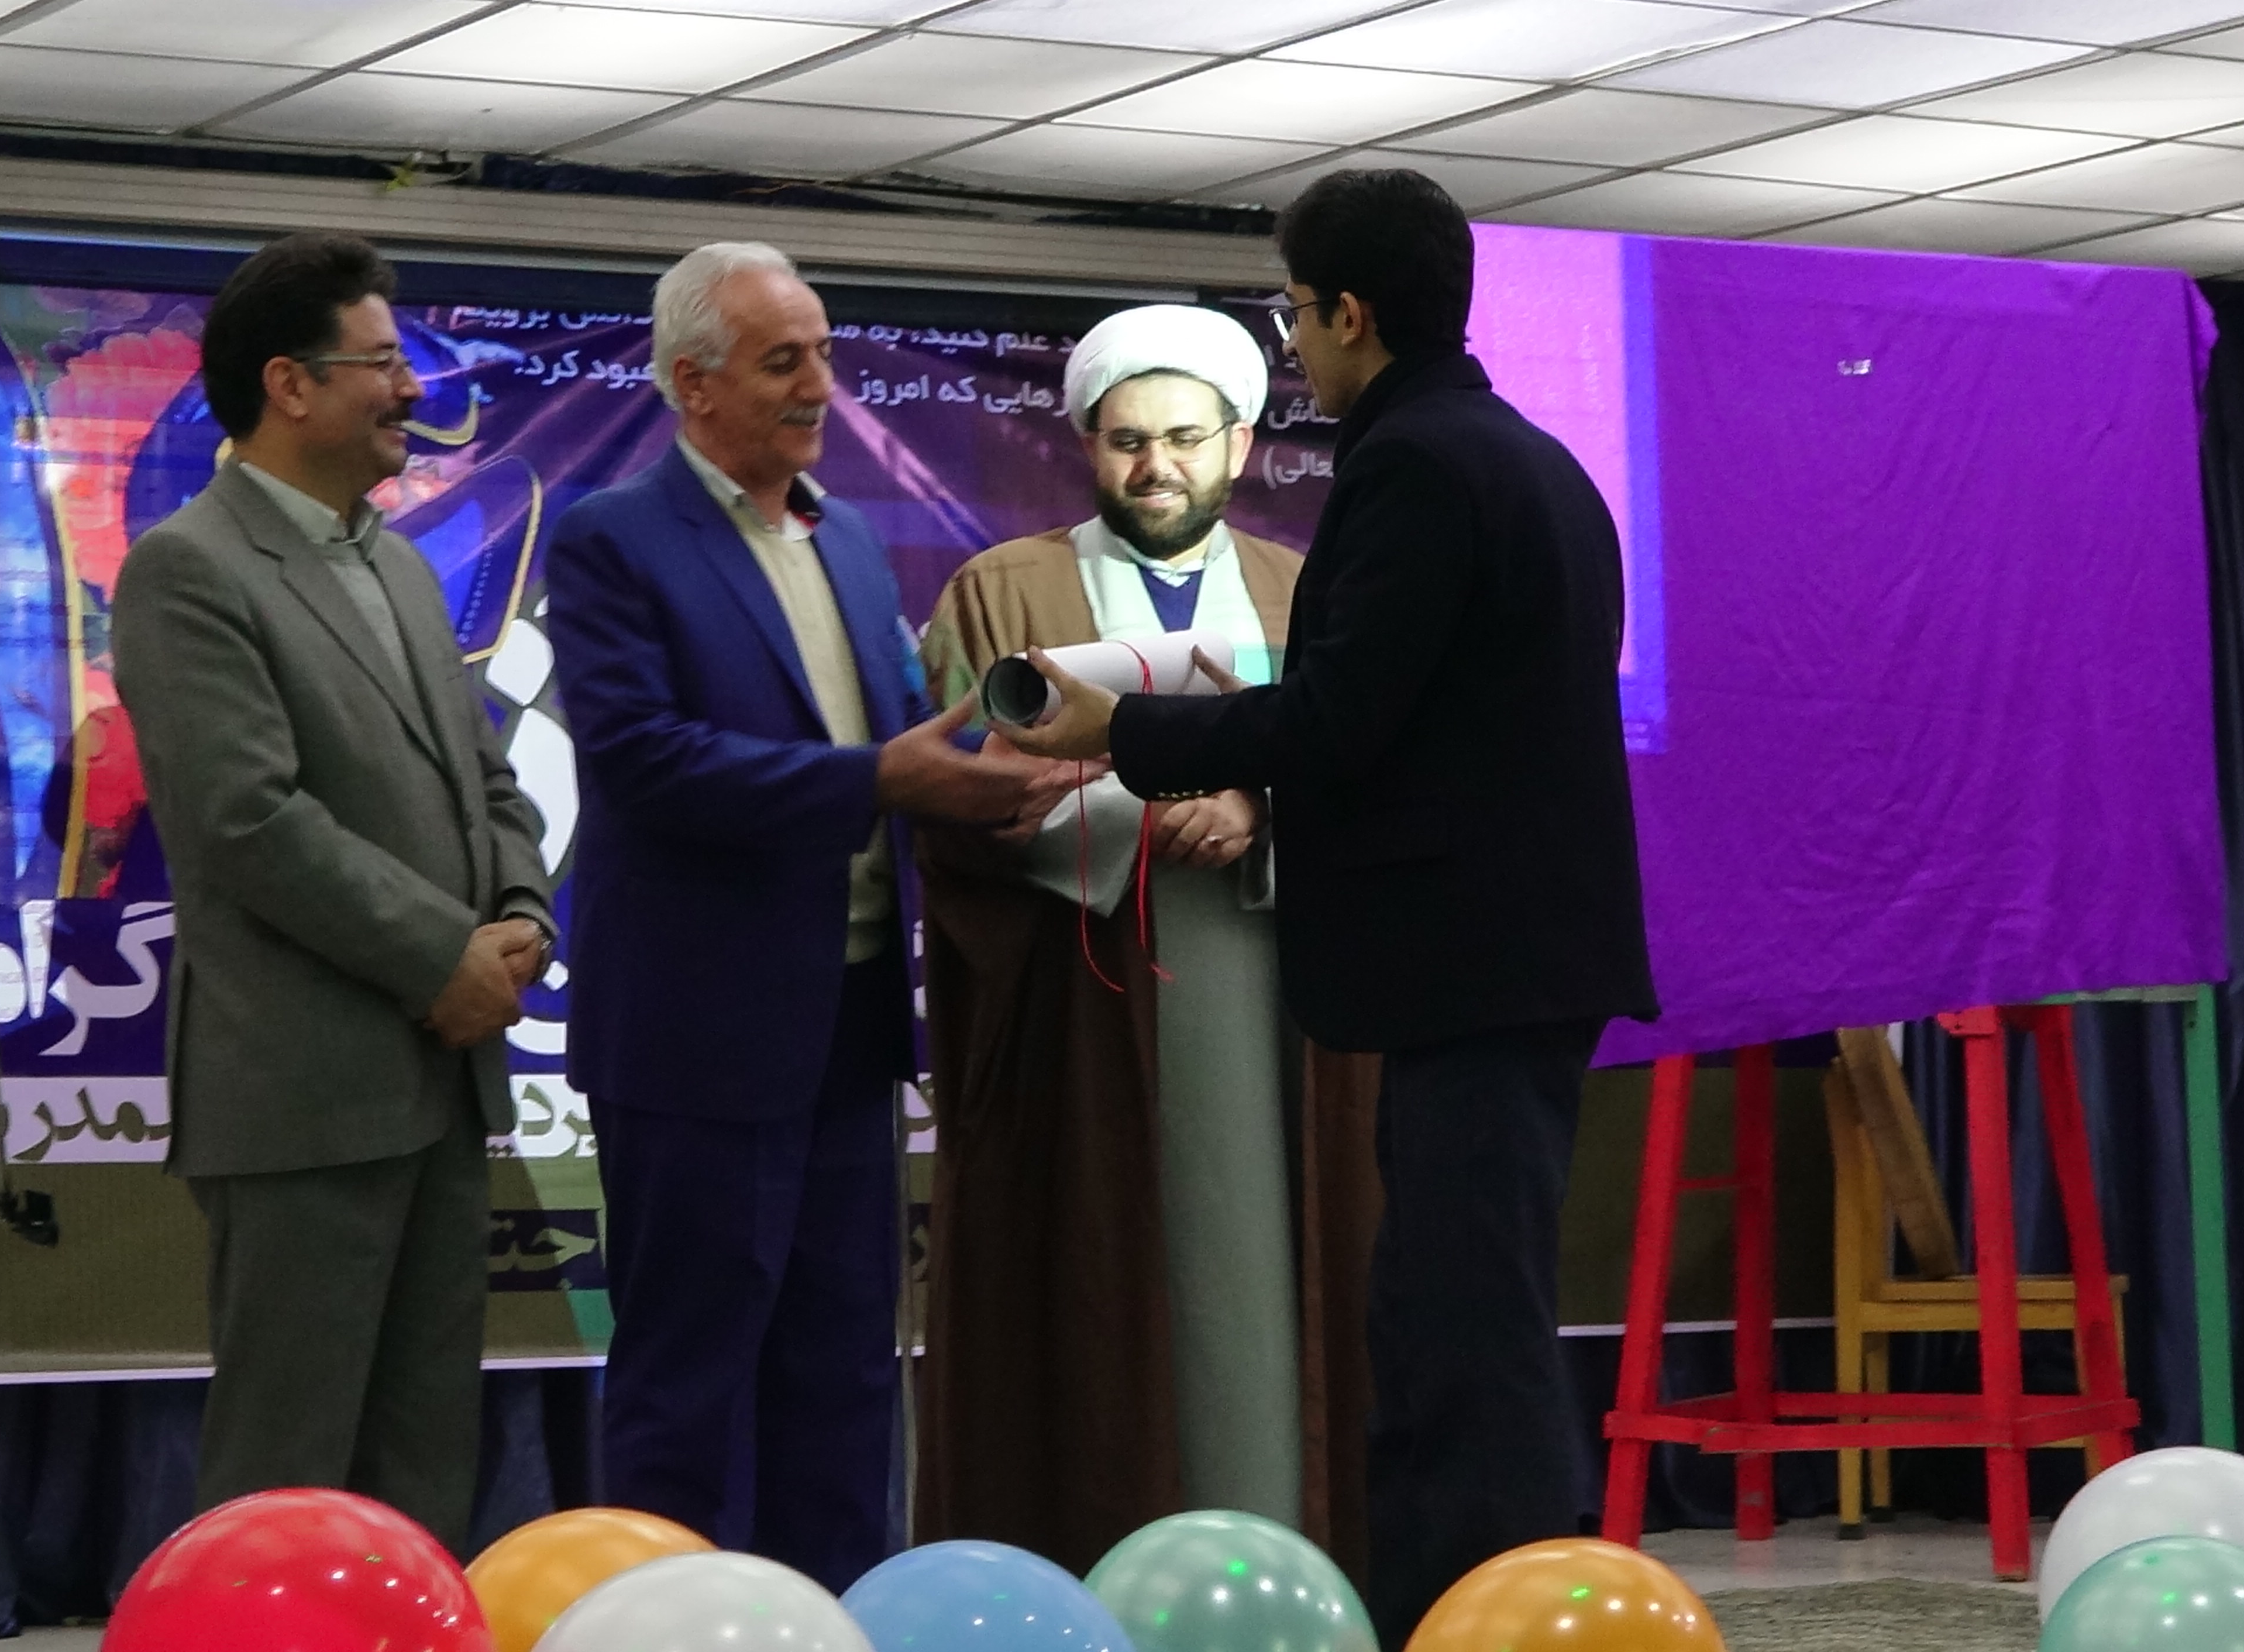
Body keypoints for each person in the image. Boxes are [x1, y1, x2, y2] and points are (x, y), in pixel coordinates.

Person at [997, 171, 1659, 1641]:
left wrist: (1122, 726)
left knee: (1461, 1336)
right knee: (1443, 1317)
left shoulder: (1414, 462)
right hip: (1505, 960)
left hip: (1474, 965)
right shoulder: (1524, 452)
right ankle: (1455, 1606)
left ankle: (1488, 1616)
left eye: (1294, 311)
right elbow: (1437, 720)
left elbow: (1343, 716)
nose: (1292, 342)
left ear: (1351, 312)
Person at [545, 240, 1061, 1593]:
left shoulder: (843, 541)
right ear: (692, 384)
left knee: (841, 1376)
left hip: (847, 1023)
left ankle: (832, 1618)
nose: (820, 386)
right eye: (784, 361)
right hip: (695, 1038)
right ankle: (661, 1622)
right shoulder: (613, 539)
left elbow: (902, 738)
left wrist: (999, 782)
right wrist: (879, 779)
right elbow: (643, 762)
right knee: (689, 1382)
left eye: (824, 354)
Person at [911, 304, 1382, 1575]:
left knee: (1269, 1292)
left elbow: (1369, 777)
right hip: (1084, 1018)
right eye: (1127, 441)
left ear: (1240, 445)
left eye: (1184, 438)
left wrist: (1258, 809)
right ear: (1086, 445)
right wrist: (1148, 807)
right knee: (1099, 1305)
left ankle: (1285, 1568)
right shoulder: (1002, 589)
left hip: (1276, 1003)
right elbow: (952, 796)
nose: (1155, 467)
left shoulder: (1305, 590)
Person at [113, 232, 556, 1543]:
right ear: (290, 384)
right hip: (303, 1095)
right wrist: (441, 958)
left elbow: (485, 779)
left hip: (438, 1082)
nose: (411, 390)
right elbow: (246, 821)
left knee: (426, 1459)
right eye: (381, 364)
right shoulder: (187, 567)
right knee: (288, 1469)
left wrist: (521, 915)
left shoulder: (399, 563)